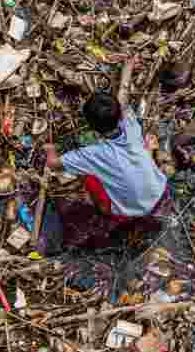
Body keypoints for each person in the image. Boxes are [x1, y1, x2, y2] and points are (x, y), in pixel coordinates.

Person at [44, 58, 170, 248]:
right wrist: (127, 69)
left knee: (90, 177)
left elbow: (53, 164)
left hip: (132, 212)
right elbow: (123, 95)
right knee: (138, 155)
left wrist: (50, 149)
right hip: (161, 192)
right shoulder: (129, 122)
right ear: (119, 114)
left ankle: (105, 211)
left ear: (93, 129)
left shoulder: (93, 155)